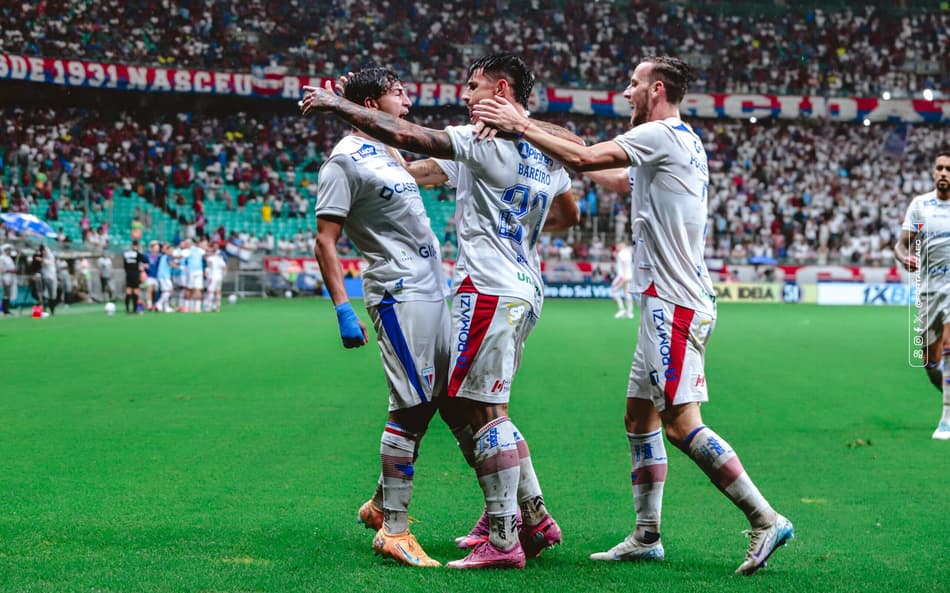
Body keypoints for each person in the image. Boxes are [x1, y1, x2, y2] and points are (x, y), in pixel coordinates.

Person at [472, 55, 793, 575]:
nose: (626, 92)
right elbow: (617, 179)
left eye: (634, 84)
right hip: (664, 300)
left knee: (682, 424)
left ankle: (764, 517)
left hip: (675, 302)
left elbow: (588, 160)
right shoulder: (679, 140)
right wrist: (552, 145)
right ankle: (647, 536)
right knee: (638, 418)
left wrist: (523, 126)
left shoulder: (661, 133)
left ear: (656, 89)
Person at [302, 53, 581, 570]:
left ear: (500, 90)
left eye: (473, 87)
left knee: (476, 409)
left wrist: (339, 104)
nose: (464, 96)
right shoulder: (546, 149)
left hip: (486, 287)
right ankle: (529, 517)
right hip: (519, 285)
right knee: (461, 405)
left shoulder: (480, 143)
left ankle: (499, 538)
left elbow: (415, 142)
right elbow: (569, 205)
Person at [312, 67, 474, 568]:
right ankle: (394, 531)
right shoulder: (342, 161)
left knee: (445, 401)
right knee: (410, 405)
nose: (407, 98)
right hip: (397, 293)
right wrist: (344, 308)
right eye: (397, 92)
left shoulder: (389, 151)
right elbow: (325, 239)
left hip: (433, 291)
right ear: (370, 102)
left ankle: (383, 504)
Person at [895, 148, 950, 440]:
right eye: (940, 168)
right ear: (933, 172)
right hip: (928, 290)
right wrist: (904, 256)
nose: (943, 173)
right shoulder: (921, 207)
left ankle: (946, 418)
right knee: (930, 362)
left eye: (948, 169)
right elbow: (904, 243)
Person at [612, 241, 634, 319]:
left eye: (617, 246)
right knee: (627, 293)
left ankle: (621, 309)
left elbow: (624, 263)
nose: (616, 247)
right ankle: (630, 312)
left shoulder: (621, 253)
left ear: (621, 245)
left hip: (622, 276)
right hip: (630, 275)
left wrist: (624, 275)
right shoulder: (628, 252)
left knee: (614, 290)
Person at [122, 240, 146, 314]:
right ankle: (135, 309)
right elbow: (143, 259)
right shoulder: (137, 253)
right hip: (135, 273)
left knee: (128, 290)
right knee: (135, 290)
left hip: (128, 273)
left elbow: (124, 265)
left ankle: (127, 309)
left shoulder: (126, 253)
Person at [204, 244, 226, 312]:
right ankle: (217, 307)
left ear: (212, 252)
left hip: (213, 276)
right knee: (218, 292)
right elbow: (224, 267)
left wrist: (206, 272)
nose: (207, 253)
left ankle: (209, 307)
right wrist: (223, 274)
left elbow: (209, 265)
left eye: (209, 251)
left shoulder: (210, 258)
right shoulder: (219, 257)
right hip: (219, 276)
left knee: (210, 291)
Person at [144, 240, 162, 311]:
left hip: (158, 276)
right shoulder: (147, 256)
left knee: (157, 291)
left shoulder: (160, 256)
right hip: (150, 275)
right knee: (149, 289)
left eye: (158, 247)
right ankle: (149, 305)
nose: (157, 248)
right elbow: (143, 264)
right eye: (155, 246)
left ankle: (156, 304)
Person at [0, 243, 16, 315]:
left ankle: (7, 309)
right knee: (6, 294)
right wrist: (10, 270)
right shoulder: (2, 258)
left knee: (8, 294)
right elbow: (1, 269)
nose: (9, 251)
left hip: (11, 277)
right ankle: (5, 310)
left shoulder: (9, 258)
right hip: (5, 278)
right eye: (8, 250)